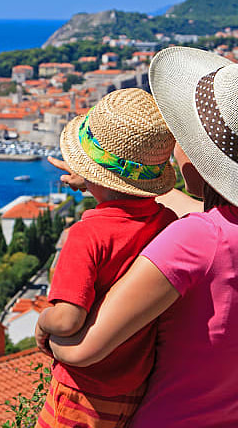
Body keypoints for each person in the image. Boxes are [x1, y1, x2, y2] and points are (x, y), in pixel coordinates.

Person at [44, 47, 238, 427]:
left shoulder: (196, 240)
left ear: (198, 154)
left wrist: (47, 336)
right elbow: (187, 212)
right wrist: (100, 178)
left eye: (181, 133)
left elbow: (84, 350)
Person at [35, 88, 178, 428]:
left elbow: (68, 319)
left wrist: (42, 323)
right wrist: (91, 178)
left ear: (90, 174)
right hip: (134, 387)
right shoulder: (167, 225)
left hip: (80, 391)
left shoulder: (87, 235)